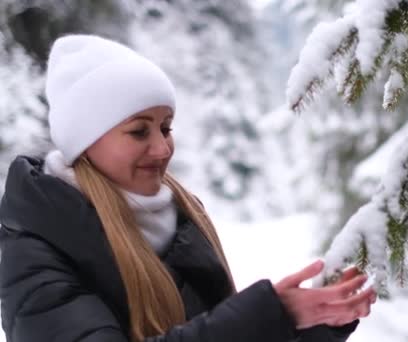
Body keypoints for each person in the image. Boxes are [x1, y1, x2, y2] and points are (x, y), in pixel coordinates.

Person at [0, 35, 375, 342]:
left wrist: (317, 323)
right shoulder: (34, 248)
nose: (162, 149)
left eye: (166, 128)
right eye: (138, 131)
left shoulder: (179, 215)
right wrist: (271, 315)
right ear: (85, 141)